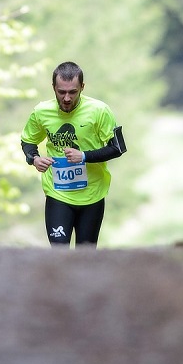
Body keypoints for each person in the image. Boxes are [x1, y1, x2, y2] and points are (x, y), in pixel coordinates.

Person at [20, 61, 125, 248]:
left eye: (73, 92)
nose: (67, 98)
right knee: (59, 253)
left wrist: (83, 156)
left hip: (92, 194)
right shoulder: (41, 112)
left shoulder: (99, 111)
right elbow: (28, 141)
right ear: (53, 87)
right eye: (61, 92)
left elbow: (118, 147)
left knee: (85, 256)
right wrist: (34, 158)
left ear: (82, 87)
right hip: (58, 193)